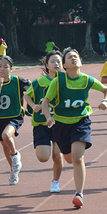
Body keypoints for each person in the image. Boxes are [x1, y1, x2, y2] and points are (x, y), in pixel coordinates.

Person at [41, 48, 107, 208]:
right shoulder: (57, 81)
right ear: (64, 65)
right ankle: (74, 183)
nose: (74, 58)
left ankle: (79, 194)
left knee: (78, 158)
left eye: (76, 56)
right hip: (61, 124)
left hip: (81, 122)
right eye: (70, 57)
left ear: (80, 61)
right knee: (68, 158)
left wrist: (106, 101)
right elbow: (45, 102)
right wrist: (48, 117)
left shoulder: (86, 80)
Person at [24, 51, 64, 193]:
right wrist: (33, 105)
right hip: (42, 124)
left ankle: (55, 181)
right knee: (43, 157)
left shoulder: (66, 80)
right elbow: (27, 95)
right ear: (47, 65)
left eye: (59, 61)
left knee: (57, 156)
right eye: (53, 61)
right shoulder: (38, 83)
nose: (56, 64)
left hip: (59, 123)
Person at [0, 55, 31, 185]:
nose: (2, 69)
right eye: (0, 66)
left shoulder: (18, 81)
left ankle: (16, 155)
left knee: (6, 135)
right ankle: (13, 170)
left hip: (15, 116)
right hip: (0, 117)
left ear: (11, 68)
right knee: (5, 146)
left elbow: (32, 90)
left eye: (5, 67)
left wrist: (28, 107)